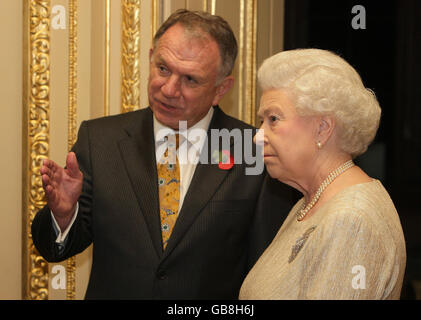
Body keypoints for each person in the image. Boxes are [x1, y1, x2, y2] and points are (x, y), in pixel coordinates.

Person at [31, 9, 294, 299]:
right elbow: (56, 248)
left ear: (221, 89)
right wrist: (64, 216)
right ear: (150, 57)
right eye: (163, 68)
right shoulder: (101, 140)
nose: (169, 89)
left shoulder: (253, 150)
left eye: (190, 80)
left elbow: (268, 271)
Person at [239, 49, 406, 300]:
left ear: (323, 128)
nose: (258, 136)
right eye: (262, 121)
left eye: (273, 119)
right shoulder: (311, 202)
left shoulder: (350, 220)